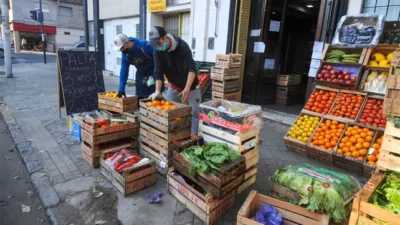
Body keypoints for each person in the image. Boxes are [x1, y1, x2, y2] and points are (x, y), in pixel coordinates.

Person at [148, 26, 201, 135]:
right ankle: (172, 136)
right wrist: (157, 91)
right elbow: (158, 71)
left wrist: (187, 89)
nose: (157, 46)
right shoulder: (157, 51)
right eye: (155, 44)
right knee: (168, 111)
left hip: (191, 86)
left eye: (159, 43)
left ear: (165, 38)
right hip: (174, 84)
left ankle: (193, 137)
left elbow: (191, 68)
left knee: (194, 113)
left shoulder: (182, 46)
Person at [112, 34, 161, 99]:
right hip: (140, 75)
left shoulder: (144, 45)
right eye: (120, 49)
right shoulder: (125, 55)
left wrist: (155, 75)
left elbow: (158, 59)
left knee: (154, 101)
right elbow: (124, 70)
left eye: (122, 47)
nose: (121, 50)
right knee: (139, 100)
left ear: (127, 42)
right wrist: (121, 88)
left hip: (153, 73)